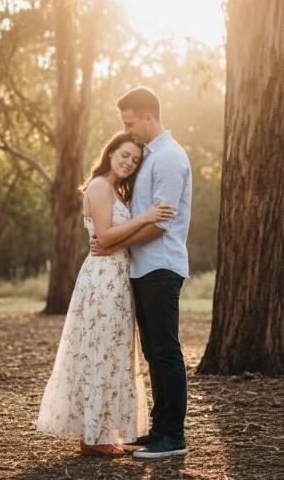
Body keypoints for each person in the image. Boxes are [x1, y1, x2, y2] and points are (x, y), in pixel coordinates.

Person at [36, 132, 174, 457]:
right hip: (102, 279)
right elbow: (105, 236)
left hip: (117, 277)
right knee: (99, 350)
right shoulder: (99, 186)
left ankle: (96, 433)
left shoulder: (116, 190)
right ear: (111, 152)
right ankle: (94, 436)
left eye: (135, 160)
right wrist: (145, 217)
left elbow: (114, 237)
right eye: (124, 155)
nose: (129, 162)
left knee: (111, 352)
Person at [91, 86, 192, 459]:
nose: (128, 130)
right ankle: (159, 428)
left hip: (161, 266)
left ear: (148, 117)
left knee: (165, 350)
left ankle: (173, 436)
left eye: (131, 123)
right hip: (143, 268)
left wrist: (112, 245)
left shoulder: (168, 158)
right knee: (153, 350)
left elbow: (160, 224)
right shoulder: (149, 157)